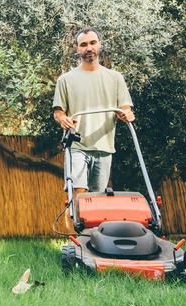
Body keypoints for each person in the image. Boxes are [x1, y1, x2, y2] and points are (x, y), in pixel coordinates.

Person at [53, 27, 135, 195]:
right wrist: (63, 120)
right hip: (76, 145)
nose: (88, 48)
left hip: (104, 147)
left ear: (99, 45)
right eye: (83, 44)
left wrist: (126, 114)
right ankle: (73, 220)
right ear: (77, 48)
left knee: (98, 200)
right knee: (79, 194)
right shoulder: (65, 80)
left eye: (92, 43)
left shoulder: (115, 78)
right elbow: (58, 112)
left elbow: (125, 107)